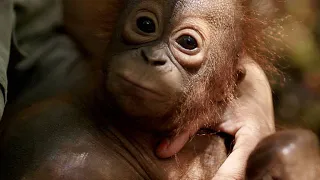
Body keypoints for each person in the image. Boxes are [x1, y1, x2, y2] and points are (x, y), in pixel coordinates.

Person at [0, 0, 275, 179]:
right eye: (145, 26)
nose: (153, 55)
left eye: (187, 43)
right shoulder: (55, 140)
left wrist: (249, 85)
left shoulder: (223, 150)